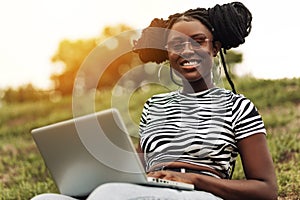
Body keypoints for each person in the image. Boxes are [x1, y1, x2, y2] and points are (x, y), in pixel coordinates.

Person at [31, 2, 278, 200]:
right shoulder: (154, 107)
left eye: (198, 41)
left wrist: (195, 180)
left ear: (215, 48)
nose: (187, 51)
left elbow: (266, 189)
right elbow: (136, 171)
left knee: (109, 195)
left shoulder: (238, 107)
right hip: (148, 191)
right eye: (177, 45)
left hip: (201, 194)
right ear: (167, 55)